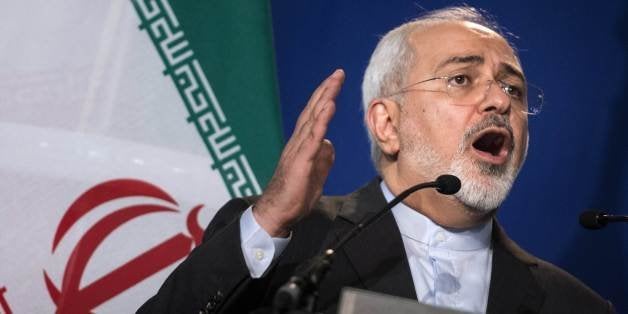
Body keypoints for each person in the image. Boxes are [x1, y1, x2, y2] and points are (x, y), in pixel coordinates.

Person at [138, 6, 614, 314]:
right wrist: (268, 218)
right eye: (461, 79)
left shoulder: (574, 305)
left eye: (513, 88)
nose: (499, 101)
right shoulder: (289, 244)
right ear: (387, 125)